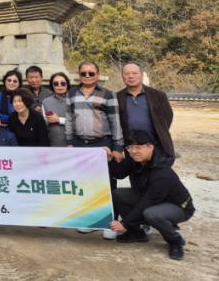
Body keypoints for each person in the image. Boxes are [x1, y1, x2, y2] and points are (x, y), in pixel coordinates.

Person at [108, 130, 194, 260]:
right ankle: (136, 233)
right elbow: (119, 174)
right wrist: (111, 160)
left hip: (179, 207)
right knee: (118, 194)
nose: (133, 151)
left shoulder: (162, 171)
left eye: (138, 147)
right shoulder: (135, 159)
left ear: (150, 146)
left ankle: (175, 241)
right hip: (150, 198)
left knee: (152, 214)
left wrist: (124, 223)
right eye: (130, 147)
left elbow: (147, 202)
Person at [66, 61, 123, 238]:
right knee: (85, 183)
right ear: (79, 75)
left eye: (91, 73)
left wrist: (117, 147)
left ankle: (110, 223)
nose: (87, 76)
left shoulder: (108, 94)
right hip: (80, 144)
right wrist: (69, 142)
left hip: (102, 143)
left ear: (98, 75)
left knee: (107, 184)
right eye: (84, 73)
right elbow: (69, 119)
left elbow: (115, 121)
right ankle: (91, 221)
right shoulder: (72, 93)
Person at [117, 62, 175, 158]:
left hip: (156, 144)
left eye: (134, 73)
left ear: (142, 75)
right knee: (134, 167)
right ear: (122, 76)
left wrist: (159, 133)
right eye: (126, 74)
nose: (130, 76)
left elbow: (168, 116)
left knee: (158, 166)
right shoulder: (117, 97)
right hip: (131, 146)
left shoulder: (158, 95)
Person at [41, 72, 71, 147]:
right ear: (52, 86)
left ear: (67, 84)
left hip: (73, 144)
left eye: (63, 83)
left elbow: (78, 122)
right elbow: (44, 124)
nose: (59, 86)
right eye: (56, 83)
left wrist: (59, 120)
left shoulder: (73, 100)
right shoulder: (46, 102)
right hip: (53, 143)